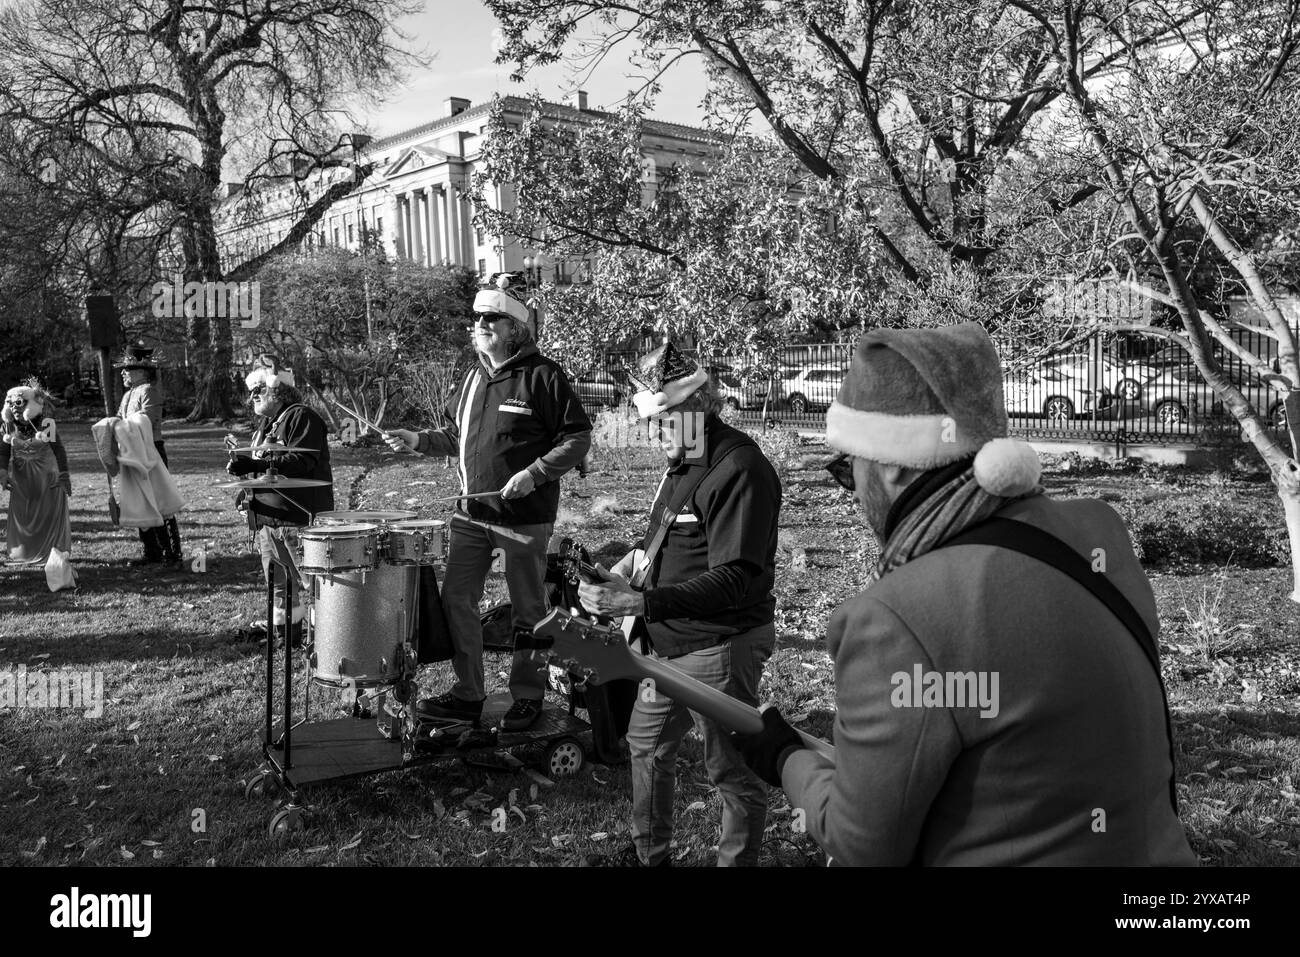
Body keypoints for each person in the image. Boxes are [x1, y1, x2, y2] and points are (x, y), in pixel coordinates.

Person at [734, 322, 1196, 866]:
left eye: (846, 470)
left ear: (893, 466)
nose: (852, 493)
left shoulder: (896, 619)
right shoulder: (1100, 533)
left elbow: (862, 845)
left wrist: (785, 756)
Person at [577, 341, 782, 867]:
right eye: (650, 422)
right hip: (665, 643)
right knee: (644, 743)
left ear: (699, 406)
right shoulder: (683, 459)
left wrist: (641, 602)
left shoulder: (740, 469)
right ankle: (651, 856)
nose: (652, 433)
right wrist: (627, 568)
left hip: (719, 645)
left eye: (664, 421)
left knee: (731, 772)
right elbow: (666, 540)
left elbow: (736, 577)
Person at [383, 274, 591, 732]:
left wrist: (534, 474)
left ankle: (529, 695)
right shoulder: (475, 375)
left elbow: (577, 438)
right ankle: (468, 693)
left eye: (491, 317)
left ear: (515, 327)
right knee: (456, 599)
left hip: (525, 519)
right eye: (477, 317)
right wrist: (416, 440)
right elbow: (459, 438)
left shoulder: (544, 375)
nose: (481, 324)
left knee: (528, 610)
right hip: (470, 515)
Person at [227, 355, 334, 637]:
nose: (252, 398)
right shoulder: (268, 424)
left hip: (299, 516)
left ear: (277, 389)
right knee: (279, 582)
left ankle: (327, 638)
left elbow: (301, 461)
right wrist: (245, 484)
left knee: (313, 582)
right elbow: (264, 469)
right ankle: (287, 636)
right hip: (268, 519)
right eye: (251, 393)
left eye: (257, 391)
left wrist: (257, 464)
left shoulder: (302, 416)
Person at [116, 344, 182, 565]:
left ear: (143, 371)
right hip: (132, 451)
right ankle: (151, 550)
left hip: (150, 449)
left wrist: (122, 426)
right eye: (124, 368)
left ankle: (172, 552)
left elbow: (148, 418)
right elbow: (119, 420)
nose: (124, 372)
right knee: (139, 500)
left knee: (158, 498)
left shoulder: (148, 391)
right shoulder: (127, 395)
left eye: (129, 368)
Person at [1, 379, 73, 568]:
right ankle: (24, 553)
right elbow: (3, 450)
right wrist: (2, 471)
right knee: (23, 516)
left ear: (30, 404)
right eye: (10, 403)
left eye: (19, 403)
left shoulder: (46, 423)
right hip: (22, 482)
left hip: (47, 481)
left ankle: (51, 552)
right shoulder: (8, 426)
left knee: (47, 516)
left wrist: (64, 474)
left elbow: (59, 450)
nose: (14, 408)